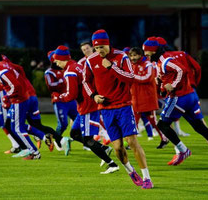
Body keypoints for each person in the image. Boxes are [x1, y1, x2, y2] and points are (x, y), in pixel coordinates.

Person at [143, 37, 208, 169]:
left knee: (162, 124)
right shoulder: (166, 59)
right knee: (199, 126)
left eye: (146, 52)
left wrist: (172, 85)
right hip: (190, 95)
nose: (145, 54)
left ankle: (182, 150)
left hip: (179, 97)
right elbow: (179, 72)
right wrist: (161, 83)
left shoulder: (165, 60)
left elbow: (181, 70)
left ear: (153, 51)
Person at [82, 29, 153, 189]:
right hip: (106, 109)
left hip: (124, 106)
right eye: (97, 47)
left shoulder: (121, 57)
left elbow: (130, 78)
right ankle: (131, 171)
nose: (100, 50)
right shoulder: (90, 61)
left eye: (102, 47)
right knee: (118, 148)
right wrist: (94, 96)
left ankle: (147, 177)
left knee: (132, 141)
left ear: (108, 44)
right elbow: (85, 82)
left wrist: (112, 67)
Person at [52, 45, 119, 174]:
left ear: (61, 58)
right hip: (85, 105)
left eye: (56, 59)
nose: (55, 62)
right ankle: (103, 148)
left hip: (87, 106)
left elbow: (71, 94)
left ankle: (112, 164)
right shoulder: (76, 65)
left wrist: (59, 97)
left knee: (88, 139)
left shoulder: (70, 71)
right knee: (74, 133)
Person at [0, 51, 41, 160]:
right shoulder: (5, 64)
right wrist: (24, 81)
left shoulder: (0, 70)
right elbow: (20, 69)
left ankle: (33, 150)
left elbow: (15, 85)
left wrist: (8, 96)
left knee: (16, 128)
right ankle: (32, 145)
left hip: (18, 99)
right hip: (22, 97)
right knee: (13, 126)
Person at [128, 47, 169, 149]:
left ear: (140, 55)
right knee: (134, 122)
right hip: (135, 99)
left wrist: (132, 76)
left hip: (147, 98)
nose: (133, 58)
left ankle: (164, 138)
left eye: (135, 55)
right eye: (131, 55)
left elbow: (147, 78)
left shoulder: (148, 65)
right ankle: (130, 143)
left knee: (153, 122)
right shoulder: (131, 66)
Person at [44, 50, 78, 136]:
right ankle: (57, 140)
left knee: (79, 120)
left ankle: (83, 140)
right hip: (59, 100)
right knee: (63, 124)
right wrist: (61, 81)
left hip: (71, 98)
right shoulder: (49, 72)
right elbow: (50, 86)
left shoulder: (67, 68)